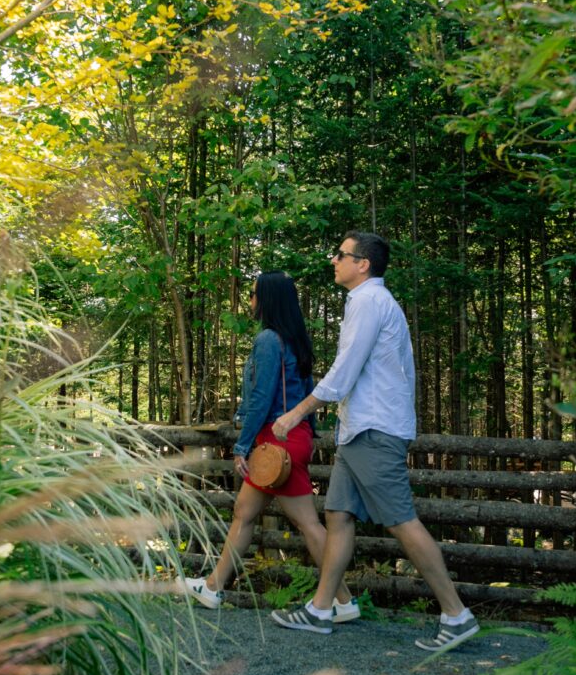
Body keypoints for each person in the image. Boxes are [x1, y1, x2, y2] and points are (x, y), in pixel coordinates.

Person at [270, 232, 479, 651]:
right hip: (359, 428)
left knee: (400, 519)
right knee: (339, 514)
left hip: (374, 430)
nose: (334, 261)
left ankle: (457, 615)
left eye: (341, 255)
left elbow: (345, 371)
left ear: (362, 264)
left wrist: (295, 414)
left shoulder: (369, 302)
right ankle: (321, 609)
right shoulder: (369, 302)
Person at [179, 270, 356, 617]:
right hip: (294, 437)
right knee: (244, 515)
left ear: (268, 299)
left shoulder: (268, 341)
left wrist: (242, 445)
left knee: (306, 524)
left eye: (254, 294)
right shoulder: (295, 339)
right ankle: (213, 587)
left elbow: (261, 398)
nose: (251, 300)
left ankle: (344, 600)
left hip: (276, 442)